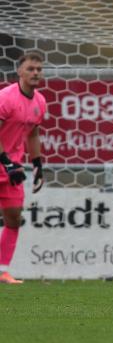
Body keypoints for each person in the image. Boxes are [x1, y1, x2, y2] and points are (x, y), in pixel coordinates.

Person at [0, 52, 47, 284]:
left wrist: (37, 164)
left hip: (11, 167)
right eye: (30, 69)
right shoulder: (6, 98)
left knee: (13, 217)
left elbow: (33, 133)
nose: (35, 72)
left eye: (39, 69)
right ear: (19, 72)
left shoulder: (40, 101)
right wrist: (6, 161)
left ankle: (2, 271)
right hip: (6, 163)